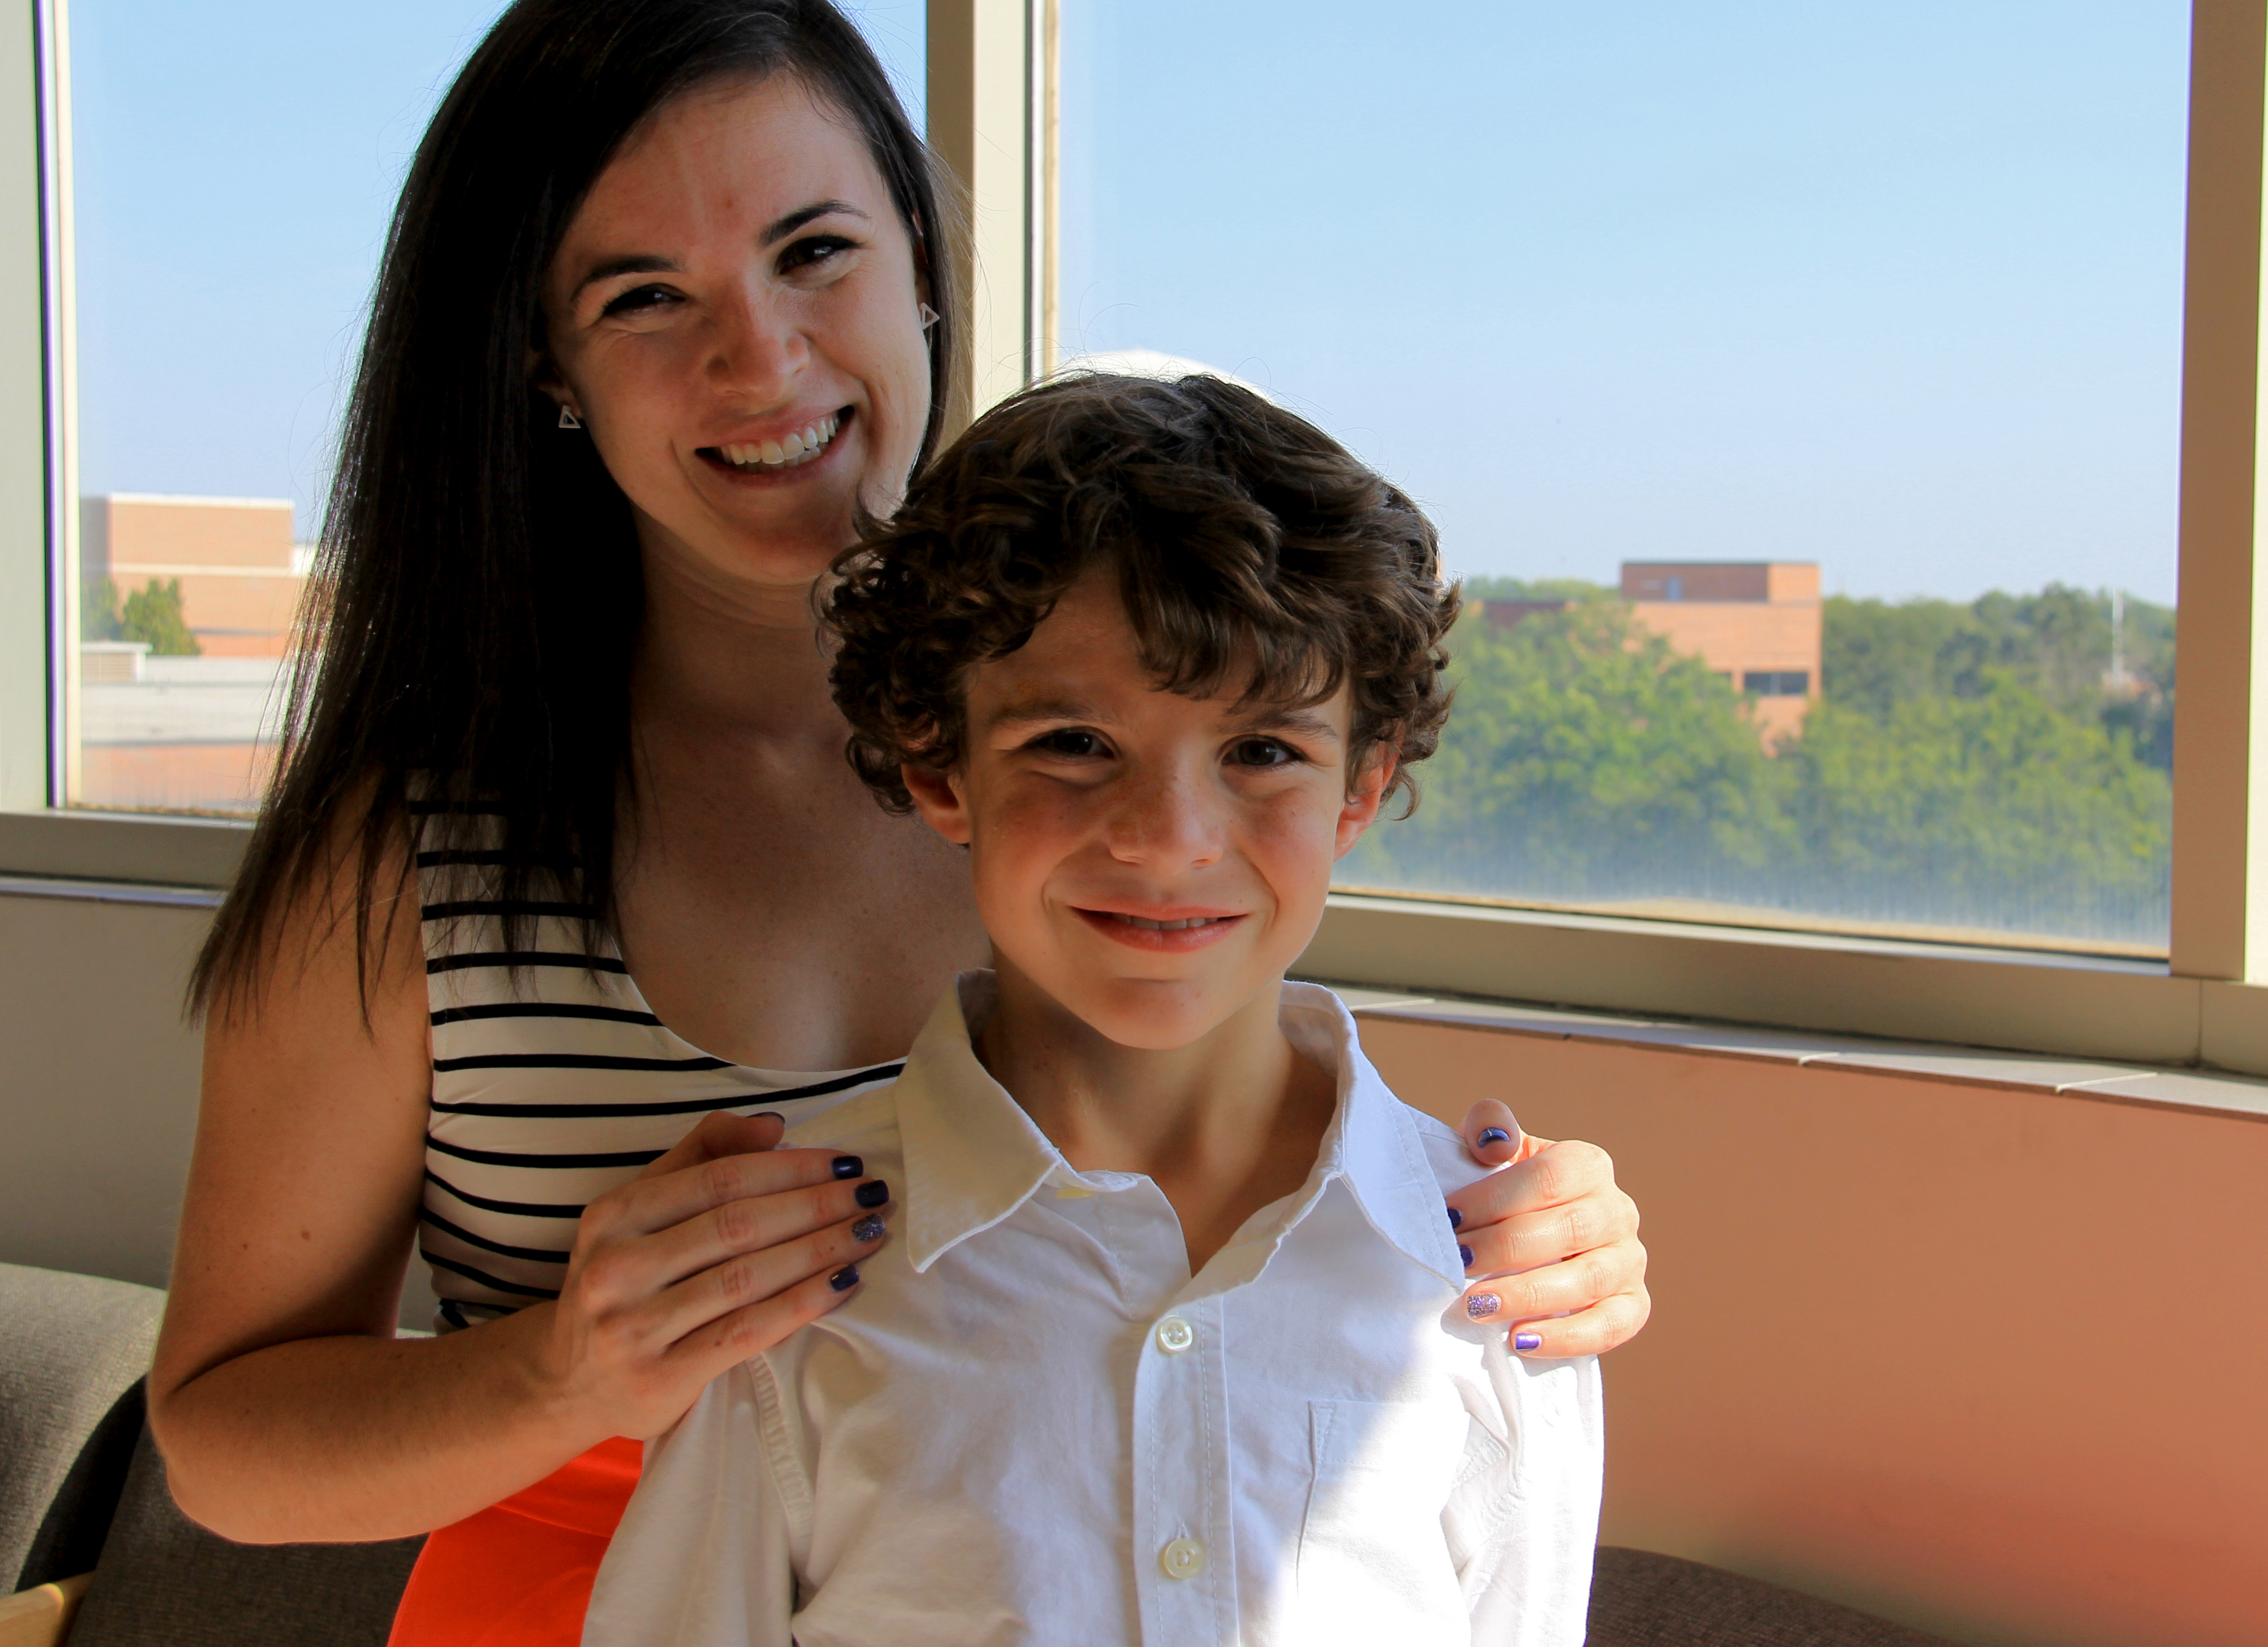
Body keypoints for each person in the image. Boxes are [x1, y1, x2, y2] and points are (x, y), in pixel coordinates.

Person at [147, 0, 1650, 1647]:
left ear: (921, 268)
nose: (765, 360)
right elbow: (221, 1446)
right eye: (646, 296)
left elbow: (1249, 1203)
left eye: (817, 253)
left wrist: (1525, 1229)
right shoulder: (411, 852)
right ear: (540, 365)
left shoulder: (1103, 748)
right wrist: (564, 1372)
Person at [589, 369, 1603, 1646]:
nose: (1169, 841)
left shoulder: (1500, 1283)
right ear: (938, 765)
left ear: (1362, 786)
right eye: (1072, 741)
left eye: (1263, 750)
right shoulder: (788, 1279)